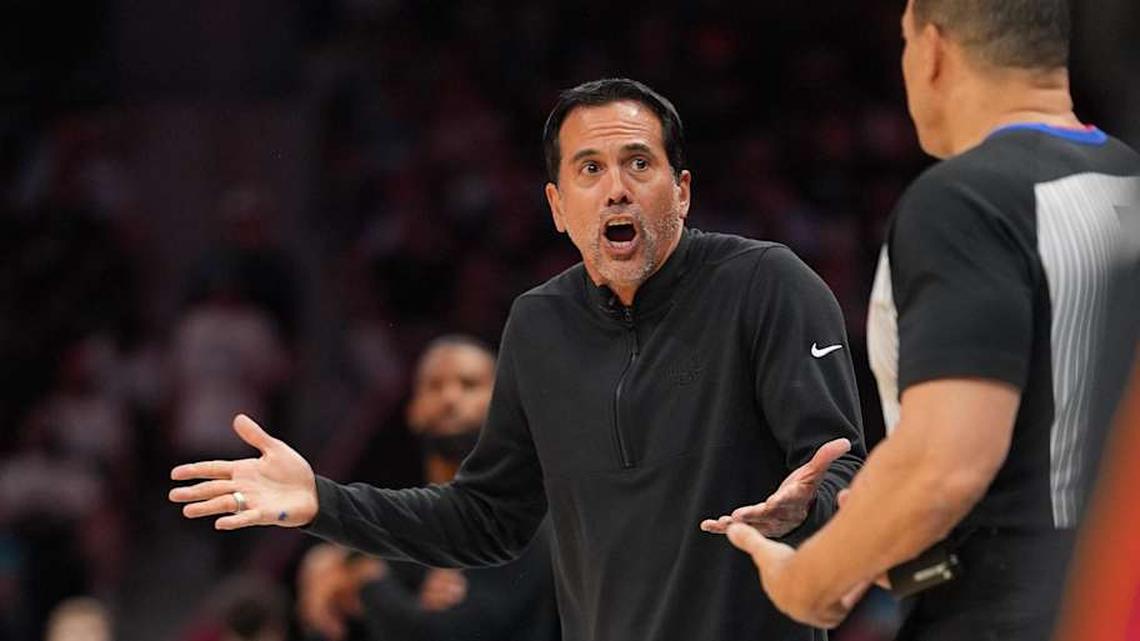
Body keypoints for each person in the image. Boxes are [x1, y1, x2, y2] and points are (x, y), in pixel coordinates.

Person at [170, 78, 867, 641]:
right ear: (558, 207)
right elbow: (487, 518)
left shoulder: (769, 285)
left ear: (681, 190)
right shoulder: (540, 324)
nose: (617, 188)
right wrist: (324, 501)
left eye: (639, 163)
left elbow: (842, 466)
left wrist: (808, 508)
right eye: (590, 170)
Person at [722, 1, 1140, 639]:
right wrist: (880, 522)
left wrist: (809, 581)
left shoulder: (963, 200)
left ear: (934, 49)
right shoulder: (1128, 180)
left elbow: (944, 466)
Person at [296, 336, 559, 641]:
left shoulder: (525, 516)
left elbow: (453, 633)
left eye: (469, 384)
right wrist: (335, 570)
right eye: (434, 386)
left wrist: (368, 584)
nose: (450, 398)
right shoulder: (403, 528)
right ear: (414, 409)